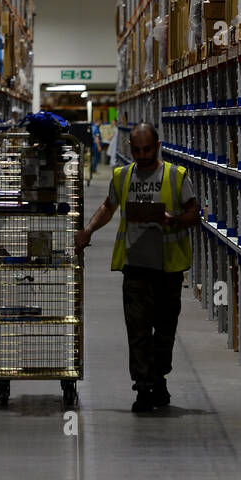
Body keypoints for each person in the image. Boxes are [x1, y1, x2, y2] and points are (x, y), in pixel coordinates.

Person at [74, 122, 198, 413]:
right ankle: (143, 387)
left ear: (157, 146)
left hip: (168, 269)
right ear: (130, 148)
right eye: (137, 150)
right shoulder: (123, 175)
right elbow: (108, 206)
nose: (141, 156)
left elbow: (195, 213)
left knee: (165, 331)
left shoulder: (176, 175)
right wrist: (88, 230)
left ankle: (159, 377)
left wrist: (175, 220)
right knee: (138, 330)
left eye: (147, 150)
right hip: (136, 266)